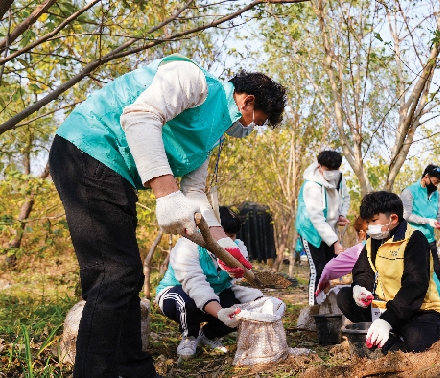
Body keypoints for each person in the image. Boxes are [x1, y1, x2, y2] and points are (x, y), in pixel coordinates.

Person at [48, 54, 286, 378]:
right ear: (248, 101)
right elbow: (140, 116)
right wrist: (166, 194)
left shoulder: (208, 139)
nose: (249, 129)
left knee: (126, 276)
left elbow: (196, 193)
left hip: (114, 172)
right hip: (88, 150)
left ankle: (135, 369)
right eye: (255, 121)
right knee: (113, 275)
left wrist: (223, 244)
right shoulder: (193, 80)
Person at [337, 191, 440, 354]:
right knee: (344, 297)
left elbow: (415, 285)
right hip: (385, 307)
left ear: (393, 218)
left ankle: (393, 334)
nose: (369, 226)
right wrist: (359, 288)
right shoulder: (373, 242)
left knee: (420, 343)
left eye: (374, 221)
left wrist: (387, 320)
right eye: (368, 222)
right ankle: (390, 337)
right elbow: (363, 271)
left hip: (418, 311)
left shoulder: (415, 240)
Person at [155, 206, 261, 359]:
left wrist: (258, 300)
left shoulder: (239, 249)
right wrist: (220, 313)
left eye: (232, 236)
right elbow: (195, 285)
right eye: (223, 235)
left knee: (243, 308)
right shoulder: (188, 246)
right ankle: (189, 336)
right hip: (178, 293)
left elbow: (237, 285)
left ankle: (208, 335)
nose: (228, 241)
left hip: (216, 294)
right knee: (186, 301)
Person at [295, 151, 351, 305]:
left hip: (329, 229)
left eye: (335, 170)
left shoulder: (339, 178)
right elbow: (317, 218)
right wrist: (335, 243)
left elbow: (345, 197)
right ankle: (314, 309)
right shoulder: (311, 186)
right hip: (311, 230)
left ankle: (325, 303)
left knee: (329, 268)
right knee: (318, 270)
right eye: (328, 170)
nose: (331, 174)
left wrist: (341, 214)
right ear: (319, 166)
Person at [401, 164, 440, 281]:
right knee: (417, 273)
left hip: (430, 239)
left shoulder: (436, 195)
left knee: (436, 270)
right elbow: (406, 215)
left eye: (438, 183)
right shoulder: (409, 192)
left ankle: (438, 298)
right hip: (412, 239)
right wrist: (427, 221)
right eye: (435, 181)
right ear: (426, 177)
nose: (436, 185)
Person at [314, 217, 367, 299]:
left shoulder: (359, 250)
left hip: (367, 295)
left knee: (343, 294)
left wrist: (323, 281)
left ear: (362, 234)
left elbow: (329, 268)